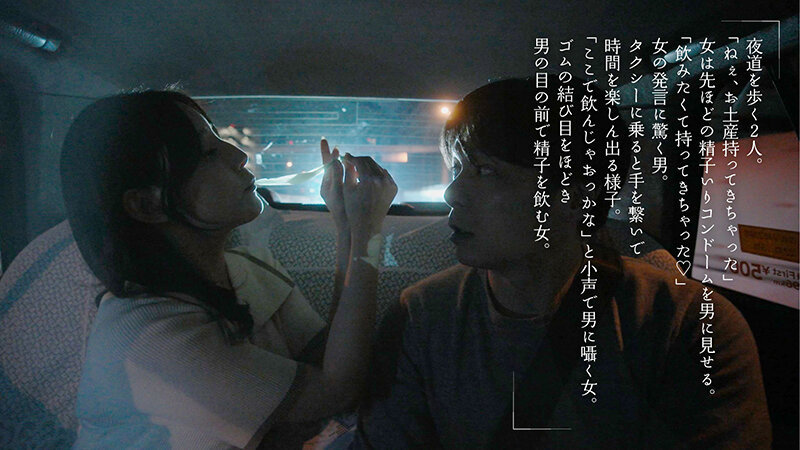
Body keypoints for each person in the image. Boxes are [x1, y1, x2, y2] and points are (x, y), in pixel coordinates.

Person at [355, 77, 771, 449]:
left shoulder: (689, 325)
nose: (452, 194)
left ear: (576, 196)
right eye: (458, 168)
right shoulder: (422, 317)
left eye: (485, 171)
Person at [60, 90, 397, 449]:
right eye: (207, 153)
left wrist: (347, 225)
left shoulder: (248, 269)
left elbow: (331, 358)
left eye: (220, 140)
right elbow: (336, 391)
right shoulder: (151, 338)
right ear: (147, 204)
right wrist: (366, 230)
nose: (239, 156)